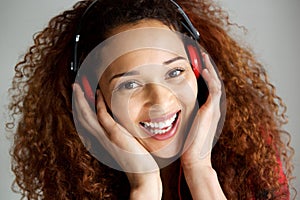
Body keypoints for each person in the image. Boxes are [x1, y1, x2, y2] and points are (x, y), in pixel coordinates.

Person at [7, 0, 296, 199]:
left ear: (197, 66)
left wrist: (201, 172)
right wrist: (143, 186)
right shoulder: (73, 175)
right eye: (130, 84)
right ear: (90, 95)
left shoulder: (247, 149)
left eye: (175, 72)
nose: (159, 100)